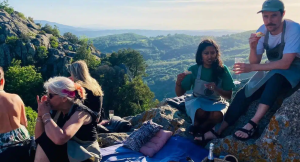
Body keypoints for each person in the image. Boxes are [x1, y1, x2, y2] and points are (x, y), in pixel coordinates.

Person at [197, 0, 300, 142]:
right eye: (265, 16)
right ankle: (218, 130)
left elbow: (286, 63)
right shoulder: (263, 30)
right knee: (245, 92)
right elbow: (255, 61)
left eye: (274, 16)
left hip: (294, 68)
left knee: (275, 79)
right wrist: (253, 47)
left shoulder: (293, 28)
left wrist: (252, 68)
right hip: (274, 67)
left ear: (283, 14)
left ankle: (253, 123)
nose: (269, 21)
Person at [175, 39, 235, 144]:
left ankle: (198, 128)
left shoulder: (223, 70)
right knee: (200, 111)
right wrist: (178, 82)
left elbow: (229, 96)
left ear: (217, 54)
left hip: (216, 101)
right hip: (197, 100)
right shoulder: (194, 69)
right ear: (200, 55)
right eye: (206, 53)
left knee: (218, 115)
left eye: (212, 53)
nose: (209, 56)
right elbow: (180, 93)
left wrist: (216, 89)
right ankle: (202, 129)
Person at [34, 76, 101, 162]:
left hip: (85, 155)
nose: (47, 99)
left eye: (50, 96)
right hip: (71, 152)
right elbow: (39, 138)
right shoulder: (58, 111)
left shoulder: (81, 113)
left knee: (48, 142)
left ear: (64, 98)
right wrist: (40, 115)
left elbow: (60, 139)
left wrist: (46, 115)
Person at [0, 67, 31, 155]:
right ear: (2, 81)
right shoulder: (16, 97)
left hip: (4, 147)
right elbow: (25, 123)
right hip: (23, 140)